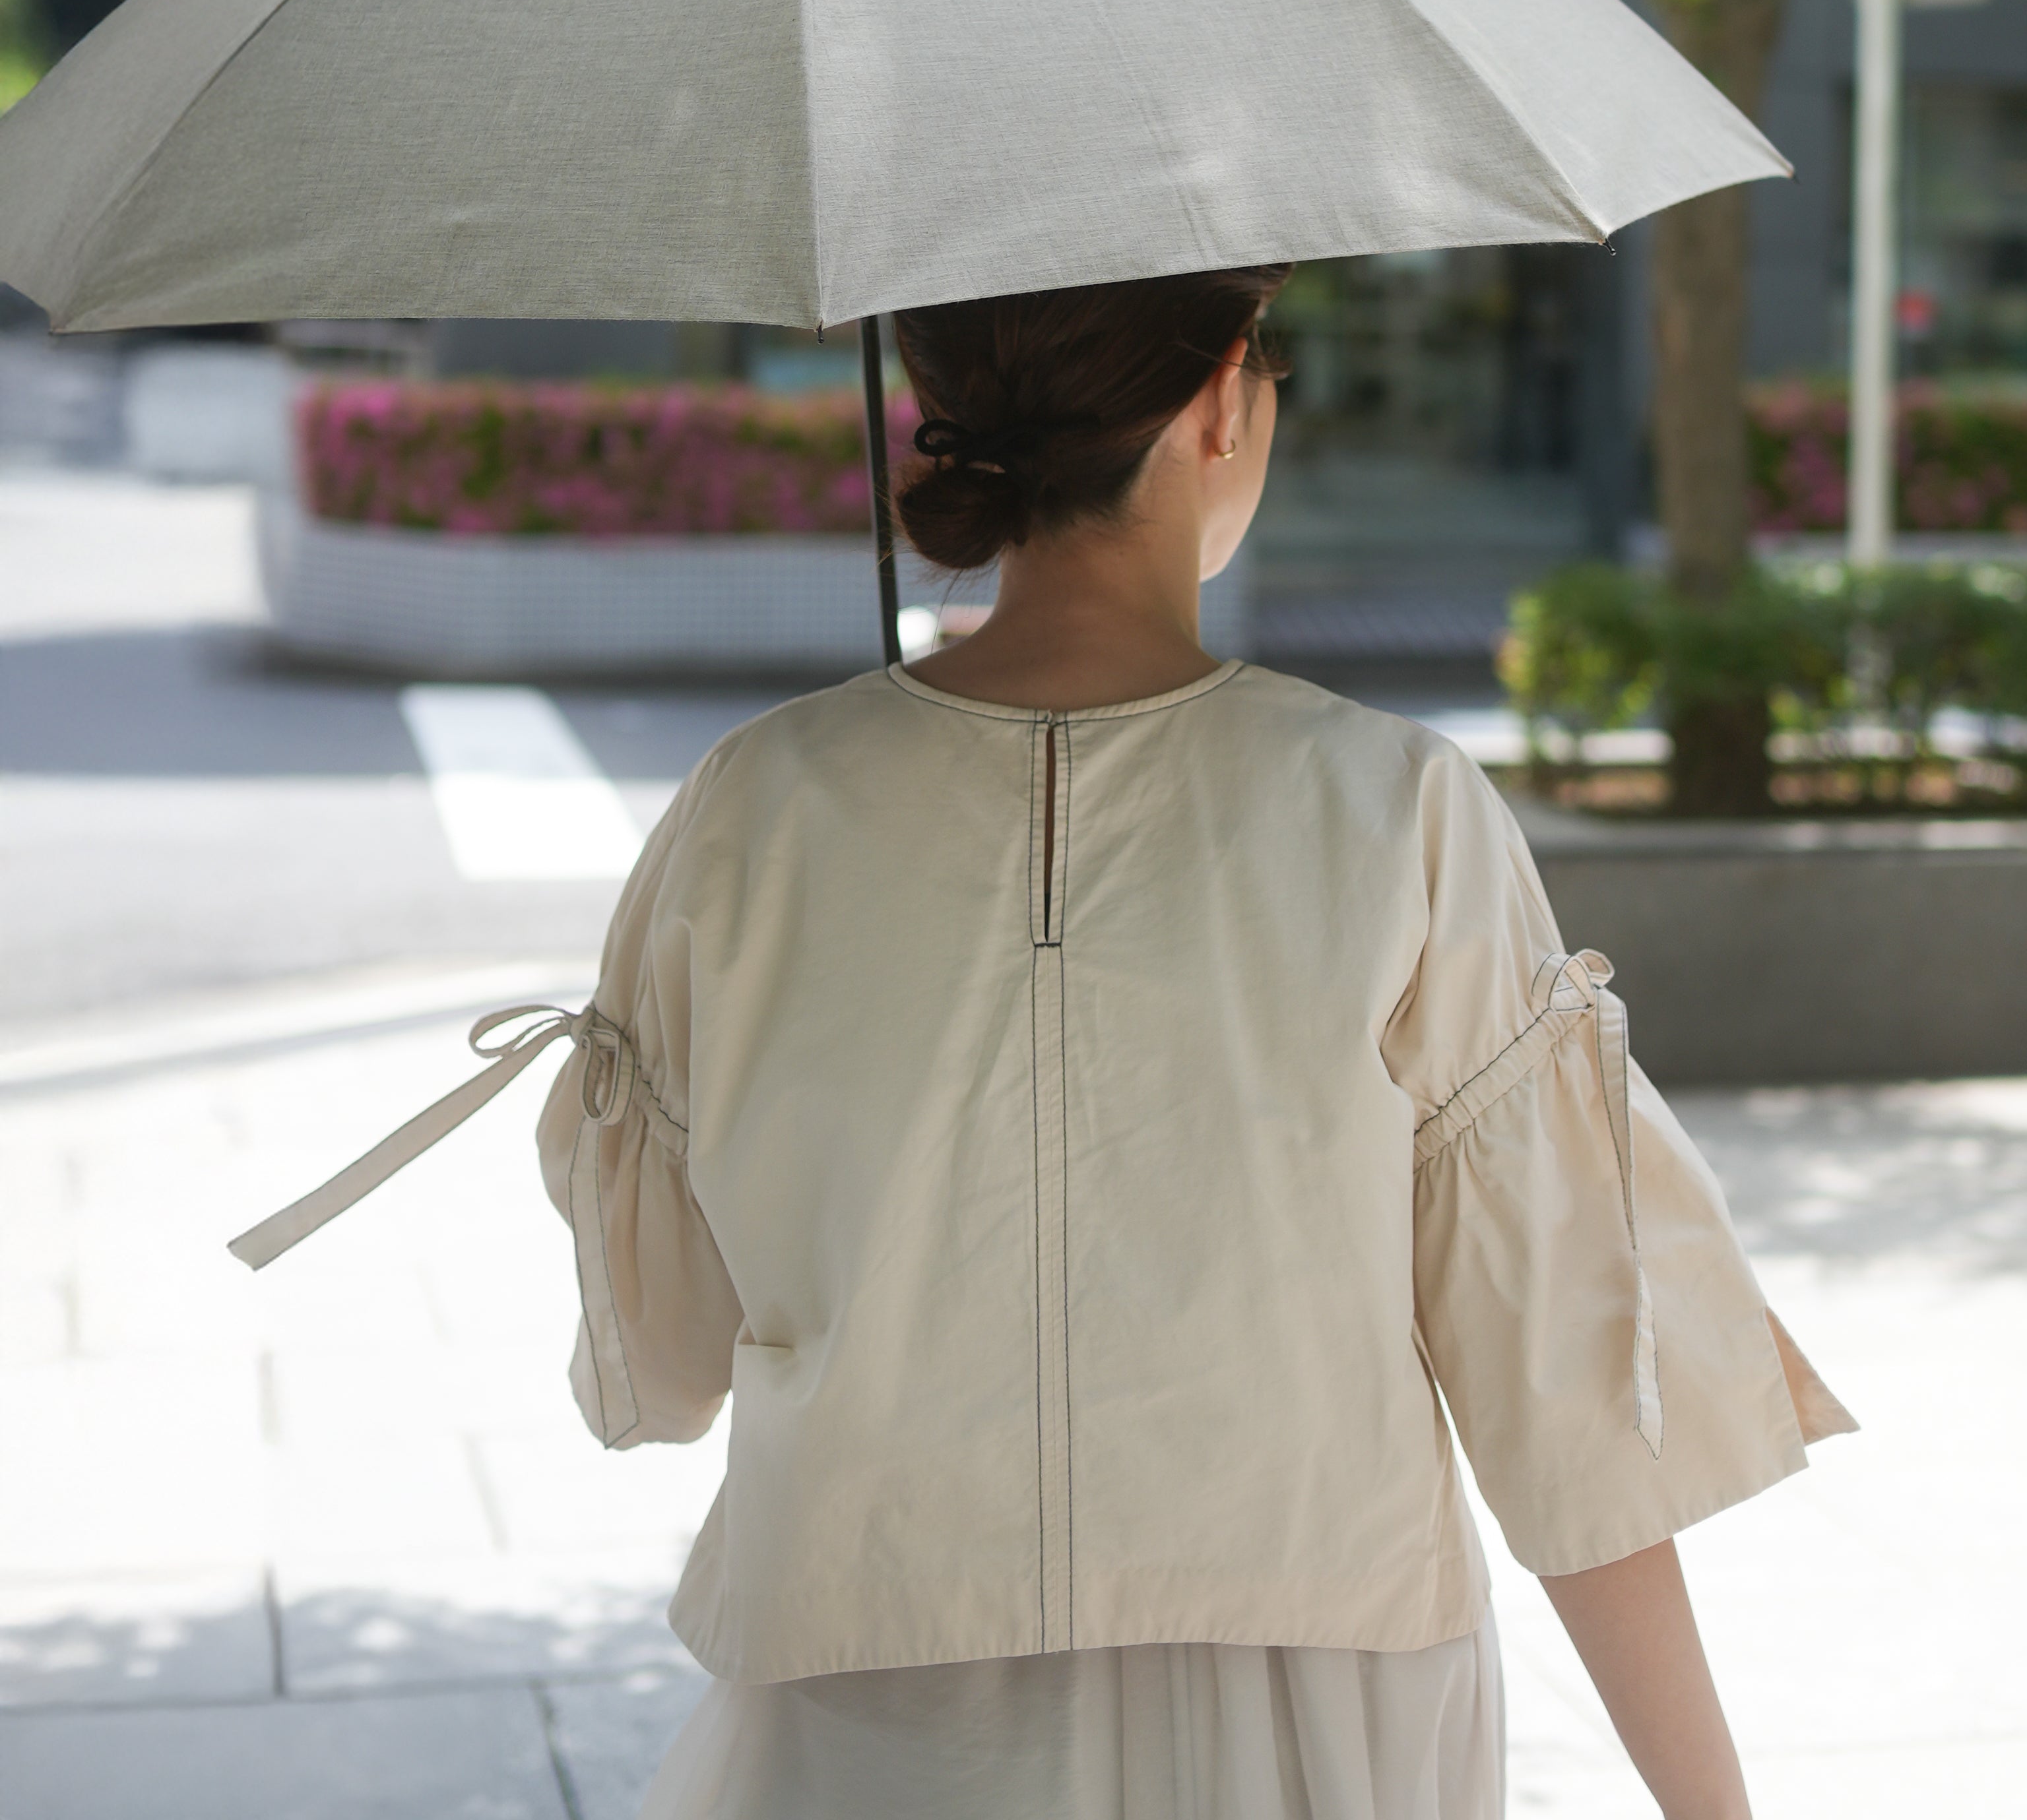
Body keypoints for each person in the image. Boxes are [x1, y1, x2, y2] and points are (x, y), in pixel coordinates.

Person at [532, 267, 1854, 1820]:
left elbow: (666, 1363)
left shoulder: (748, 811)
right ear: (1225, 394)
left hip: (865, 1707)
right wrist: (1714, 1808)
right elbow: (1564, 1401)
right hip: (1316, 1708)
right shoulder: (1395, 809)